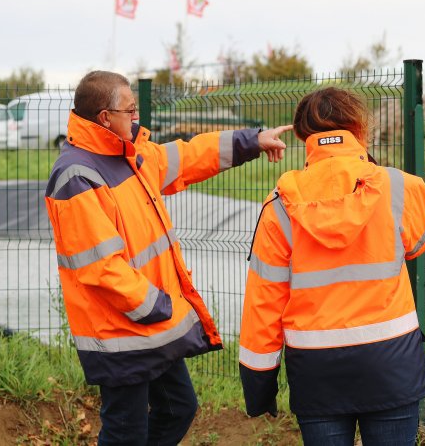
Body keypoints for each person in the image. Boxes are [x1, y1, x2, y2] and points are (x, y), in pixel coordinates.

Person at [44, 70, 292, 445]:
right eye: (130, 111)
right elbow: (101, 269)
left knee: (178, 408)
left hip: (148, 325)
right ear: (104, 118)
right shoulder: (77, 176)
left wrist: (252, 141)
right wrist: (157, 307)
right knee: (126, 431)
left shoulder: (130, 155)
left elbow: (189, 155)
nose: (136, 118)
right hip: (122, 333)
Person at [239, 87, 425, 445]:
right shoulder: (399, 186)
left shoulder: (279, 207)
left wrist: (259, 382)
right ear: (358, 127)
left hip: (317, 372)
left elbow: (262, 303)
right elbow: (422, 240)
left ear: (302, 135)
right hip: (391, 362)